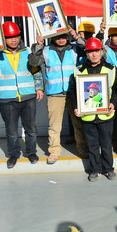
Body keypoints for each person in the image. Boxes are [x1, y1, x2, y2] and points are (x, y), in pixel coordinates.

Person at [28, 30, 86, 164]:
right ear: (52, 37)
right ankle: (54, 151)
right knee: (54, 125)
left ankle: (83, 149)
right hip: (55, 93)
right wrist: (39, 45)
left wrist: (76, 37)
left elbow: (87, 48)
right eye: (58, 37)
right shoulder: (46, 50)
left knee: (78, 123)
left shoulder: (75, 48)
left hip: (74, 92)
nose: (61, 40)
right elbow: (34, 62)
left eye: (64, 36)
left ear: (67, 36)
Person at [0, 22, 43, 169]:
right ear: (3, 38)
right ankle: (13, 154)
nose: (13, 40)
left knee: (31, 128)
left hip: (28, 96)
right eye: (9, 37)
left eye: (16, 36)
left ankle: (31, 152)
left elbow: (36, 70)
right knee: (11, 130)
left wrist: (39, 88)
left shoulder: (27, 52)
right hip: (7, 99)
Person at [69, 37, 117, 182]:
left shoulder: (111, 69)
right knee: (91, 144)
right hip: (88, 116)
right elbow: (73, 92)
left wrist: (113, 104)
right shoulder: (78, 71)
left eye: (97, 51)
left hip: (106, 115)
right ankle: (94, 169)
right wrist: (76, 107)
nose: (94, 54)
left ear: (102, 51)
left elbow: (116, 90)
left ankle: (108, 169)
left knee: (106, 144)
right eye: (90, 52)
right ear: (86, 53)